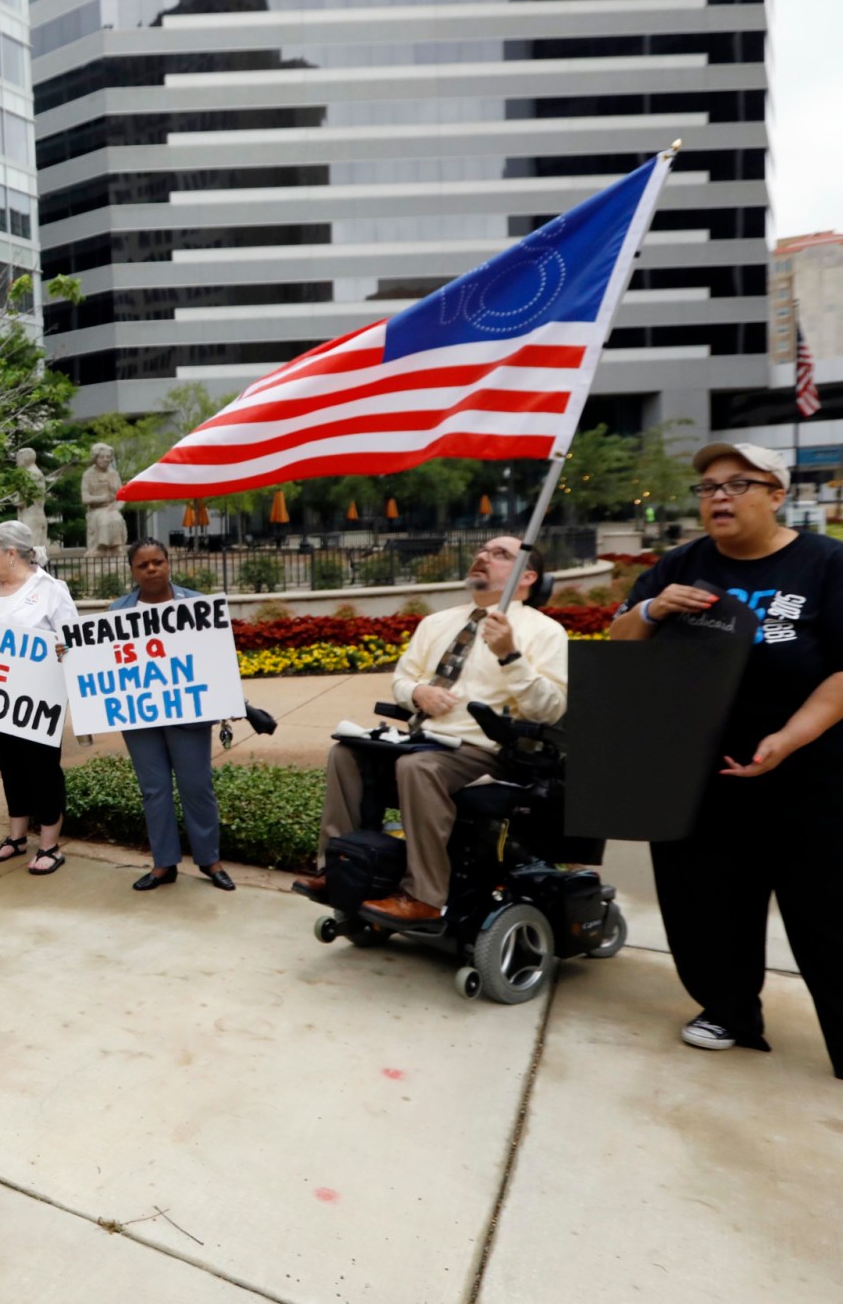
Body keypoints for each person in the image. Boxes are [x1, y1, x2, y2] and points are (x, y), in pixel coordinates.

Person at [611, 442, 843, 1076]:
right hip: (697, 773)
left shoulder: (825, 564)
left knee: (826, 907)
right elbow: (620, 643)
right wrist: (652, 609)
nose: (718, 495)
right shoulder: (680, 565)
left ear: (776, 495)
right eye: (708, 486)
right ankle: (728, 1010)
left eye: (739, 483)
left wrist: (791, 737)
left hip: (810, 775)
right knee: (704, 901)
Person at [305, 537, 567, 922]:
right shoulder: (437, 622)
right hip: (423, 740)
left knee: (420, 768)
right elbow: (402, 681)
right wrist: (419, 693)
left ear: (528, 576)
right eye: (482, 550)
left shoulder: (543, 632)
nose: (482, 557)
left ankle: (424, 896)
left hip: (487, 751)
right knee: (347, 754)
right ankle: (340, 869)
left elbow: (550, 708)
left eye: (499, 555)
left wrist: (510, 656)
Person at [110, 540, 235, 893]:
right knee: (155, 791)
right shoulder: (117, 610)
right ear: (132, 571)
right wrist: (70, 651)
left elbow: (216, 657)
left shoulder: (196, 605)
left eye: (158, 562)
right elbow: (104, 657)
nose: (151, 569)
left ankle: (210, 860)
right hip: (141, 717)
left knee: (197, 787)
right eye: (143, 565)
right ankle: (164, 864)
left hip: (188, 714)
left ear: (168, 563)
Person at [0, 520, 80, 876]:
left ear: (11, 553)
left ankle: (49, 844)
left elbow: (72, 642)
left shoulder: (51, 590)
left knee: (41, 768)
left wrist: (63, 650)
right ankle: (17, 837)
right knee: (9, 765)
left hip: (38, 700)